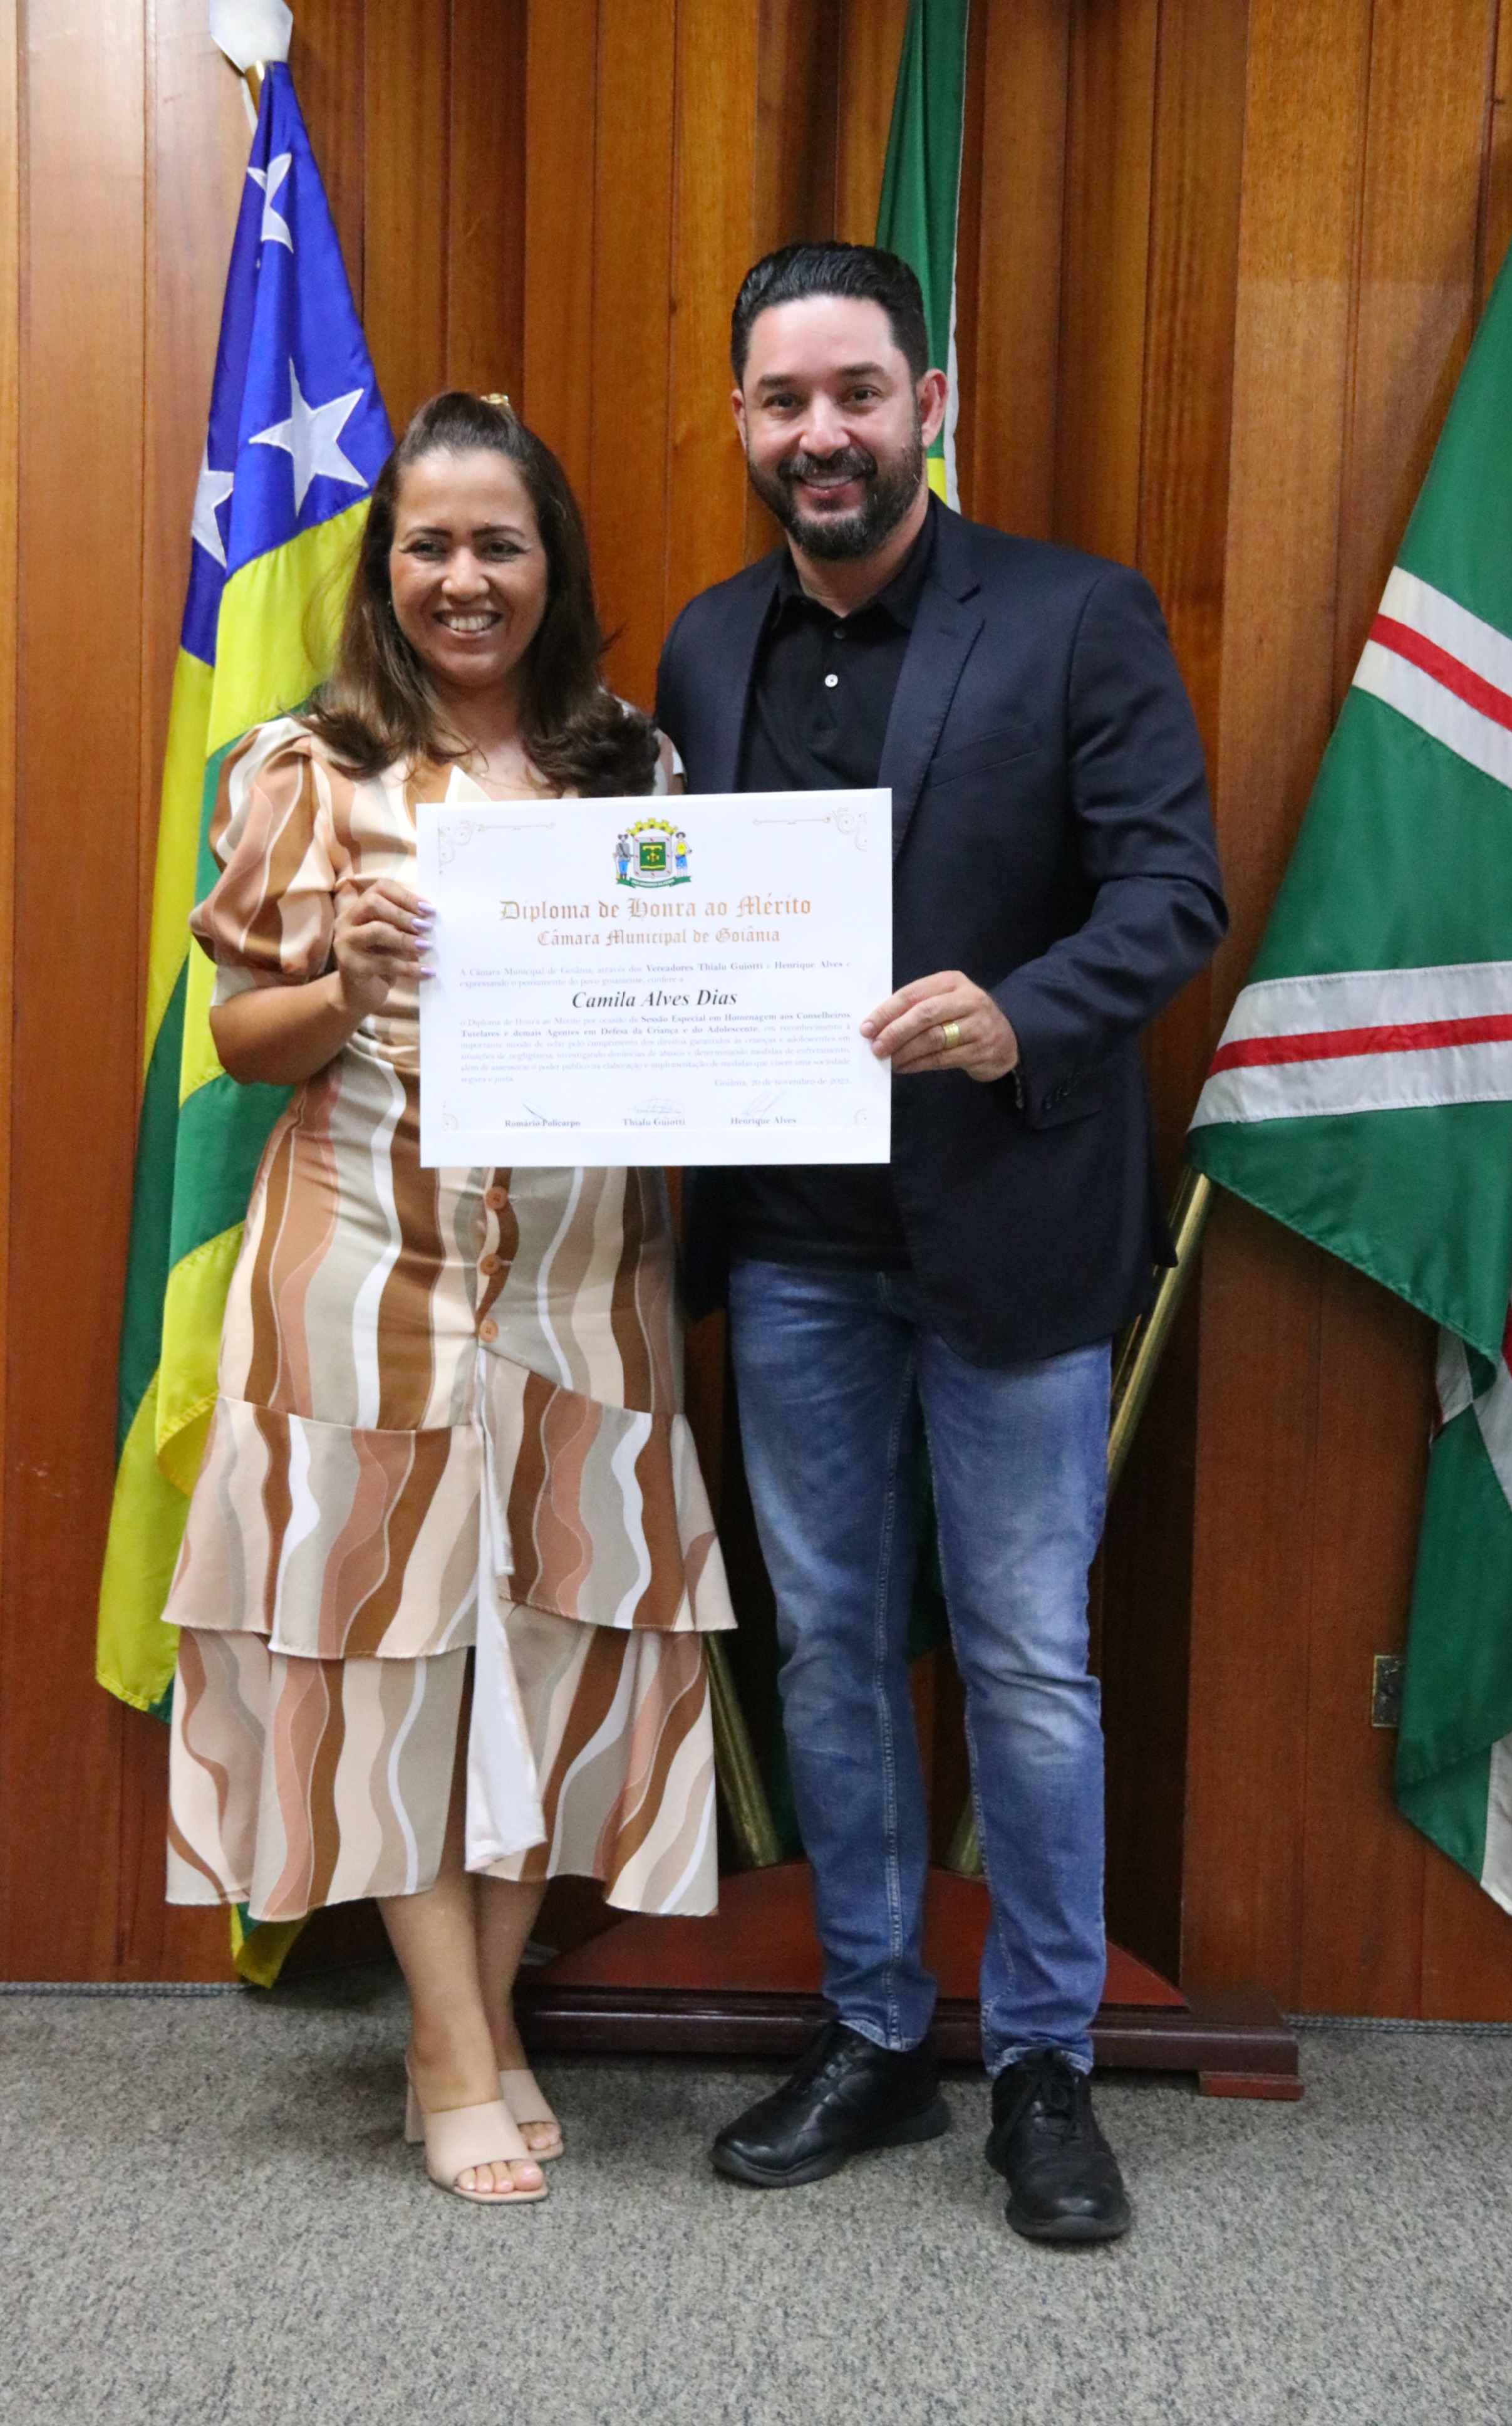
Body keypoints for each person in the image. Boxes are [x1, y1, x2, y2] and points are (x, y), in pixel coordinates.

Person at [656, 245, 1226, 2244]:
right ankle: (877, 2029)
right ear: (742, 422)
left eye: (858, 393)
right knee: (828, 1651)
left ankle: (1045, 2063)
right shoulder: (704, 645)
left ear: (931, 402)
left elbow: (1173, 895)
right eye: (784, 401)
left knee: (1027, 1666)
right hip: (793, 1251)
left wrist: (1021, 1012)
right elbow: (660, 907)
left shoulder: (1075, 615)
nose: (823, 434)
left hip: (1013, 1235)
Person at [163, 392, 734, 2205]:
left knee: (558, 1646)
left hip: (585, 1284)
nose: (464, 578)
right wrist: (341, 982)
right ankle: (449, 2044)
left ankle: (476, 2025)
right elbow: (244, 1041)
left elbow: (701, 1009)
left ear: (552, 563)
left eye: (500, 543)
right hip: (362, 1278)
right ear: (383, 567)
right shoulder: (305, 766)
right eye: (430, 545)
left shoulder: (633, 769)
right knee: (384, 1657)